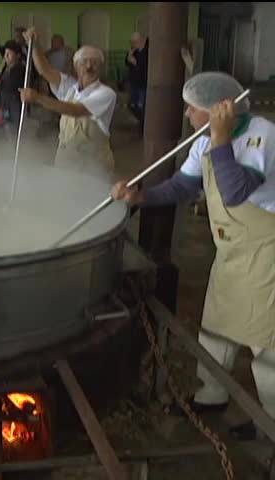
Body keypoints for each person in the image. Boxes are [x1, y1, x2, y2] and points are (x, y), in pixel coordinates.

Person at [112, 71, 275, 441]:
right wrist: (143, 196)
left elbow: (234, 192)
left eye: (192, 108)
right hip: (232, 251)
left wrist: (220, 138)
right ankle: (212, 395)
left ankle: (271, 424)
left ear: (218, 111)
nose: (186, 114)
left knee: (266, 344)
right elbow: (184, 185)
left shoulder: (260, 135)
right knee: (216, 328)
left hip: (267, 253)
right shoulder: (204, 142)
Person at [19, 28, 117, 174]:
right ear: (76, 66)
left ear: (101, 68)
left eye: (95, 63)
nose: (89, 66)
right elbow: (45, 70)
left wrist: (37, 97)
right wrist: (33, 45)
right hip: (66, 163)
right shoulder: (70, 88)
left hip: (93, 168)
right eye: (84, 62)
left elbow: (75, 110)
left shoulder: (106, 94)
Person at [0, 40, 26, 144]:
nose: (6, 56)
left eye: (9, 53)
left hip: (15, 104)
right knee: (7, 128)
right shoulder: (5, 68)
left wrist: (0, 84)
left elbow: (16, 86)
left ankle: (17, 150)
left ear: (18, 56)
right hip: (5, 103)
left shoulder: (21, 69)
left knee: (15, 129)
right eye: (5, 54)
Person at [125, 32, 149, 135]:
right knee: (131, 104)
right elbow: (127, 62)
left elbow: (145, 68)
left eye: (133, 42)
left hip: (143, 83)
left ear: (140, 41)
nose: (132, 44)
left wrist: (134, 62)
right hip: (134, 82)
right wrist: (129, 57)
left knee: (142, 106)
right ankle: (141, 122)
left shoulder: (148, 51)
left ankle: (143, 128)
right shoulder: (134, 50)